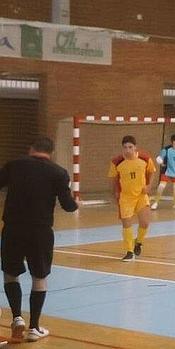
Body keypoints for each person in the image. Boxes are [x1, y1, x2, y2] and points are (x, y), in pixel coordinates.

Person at [0, 137, 78, 342]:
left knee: (10, 274)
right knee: (39, 277)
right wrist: (76, 203)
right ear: (50, 153)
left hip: (13, 228)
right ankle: (34, 327)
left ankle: (16, 318)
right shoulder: (58, 172)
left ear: (31, 148)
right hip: (40, 231)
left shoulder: (14, 165)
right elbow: (68, 206)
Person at [108, 135, 156, 261]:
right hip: (125, 197)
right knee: (126, 224)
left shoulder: (145, 158)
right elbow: (113, 179)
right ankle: (129, 251)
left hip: (141, 195)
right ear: (122, 148)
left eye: (130, 147)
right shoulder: (116, 162)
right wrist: (115, 193)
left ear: (135, 147)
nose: (128, 150)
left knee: (145, 222)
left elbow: (152, 172)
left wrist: (149, 185)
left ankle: (138, 243)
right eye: (125, 147)